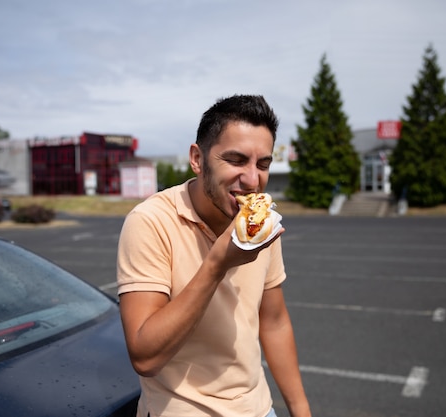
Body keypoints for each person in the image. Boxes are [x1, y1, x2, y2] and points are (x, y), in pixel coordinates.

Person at [117, 94, 312, 417]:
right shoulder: (150, 221)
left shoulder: (260, 221)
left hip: (259, 409)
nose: (252, 181)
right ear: (197, 158)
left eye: (263, 164)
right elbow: (145, 357)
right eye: (236, 160)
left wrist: (301, 410)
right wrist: (217, 264)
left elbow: (274, 320)